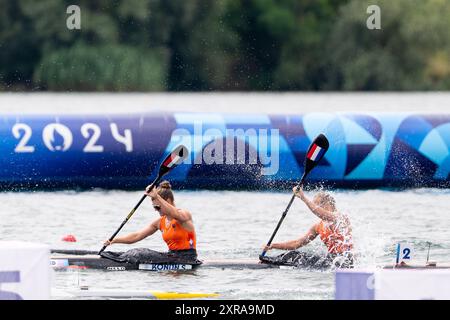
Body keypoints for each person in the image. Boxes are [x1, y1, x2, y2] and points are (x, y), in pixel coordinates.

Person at [102, 181, 200, 265]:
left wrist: (156, 196)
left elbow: (174, 213)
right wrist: (114, 240)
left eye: (157, 207)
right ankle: (112, 257)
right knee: (133, 253)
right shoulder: (159, 222)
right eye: (154, 207)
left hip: (187, 259)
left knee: (139, 253)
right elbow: (137, 236)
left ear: (168, 201)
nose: (156, 210)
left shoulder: (183, 215)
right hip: (172, 257)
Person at [261, 186, 354, 269]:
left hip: (345, 260)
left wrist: (303, 198)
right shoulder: (317, 227)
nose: (313, 208)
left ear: (326, 204)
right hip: (332, 260)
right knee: (294, 254)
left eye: (316, 205)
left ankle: (276, 262)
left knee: (298, 257)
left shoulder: (341, 218)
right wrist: (273, 245)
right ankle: (275, 261)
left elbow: (324, 215)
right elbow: (297, 243)